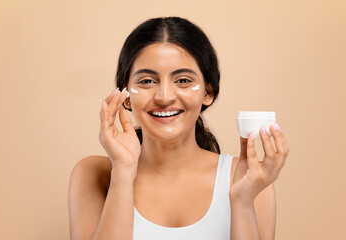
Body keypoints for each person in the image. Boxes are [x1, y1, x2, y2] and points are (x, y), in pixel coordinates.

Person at [68, 17, 289, 240]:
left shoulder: (251, 178)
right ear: (125, 95)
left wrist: (243, 203)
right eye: (146, 81)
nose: (164, 97)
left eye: (182, 80)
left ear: (208, 92)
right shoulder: (94, 174)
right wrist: (123, 171)